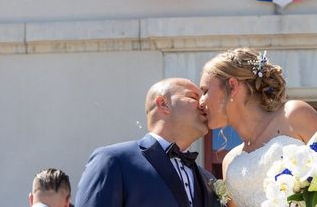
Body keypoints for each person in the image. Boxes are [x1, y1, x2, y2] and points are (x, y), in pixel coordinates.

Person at [199, 48, 317, 207]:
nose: (201, 101)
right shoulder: (230, 162)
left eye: (205, 91)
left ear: (233, 86)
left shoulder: (294, 115)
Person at [75, 78, 221, 207]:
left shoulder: (208, 180)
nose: (203, 103)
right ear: (163, 104)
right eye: (194, 97)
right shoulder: (113, 161)